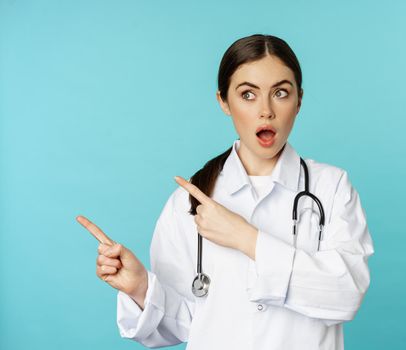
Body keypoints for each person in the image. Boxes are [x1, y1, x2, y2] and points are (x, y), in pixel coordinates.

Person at [77, 33, 375, 350]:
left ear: (299, 100)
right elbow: (181, 324)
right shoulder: (189, 201)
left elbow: (345, 295)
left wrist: (247, 239)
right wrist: (139, 287)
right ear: (224, 102)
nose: (266, 111)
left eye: (281, 93)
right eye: (248, 94)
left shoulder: (331, 187)